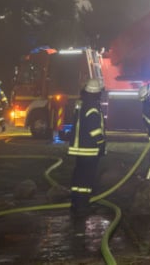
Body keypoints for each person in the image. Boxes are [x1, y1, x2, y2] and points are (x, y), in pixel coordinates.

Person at [68, 78, 106, 215]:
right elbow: (94, 128)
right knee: (86, 178)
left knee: (78, 176)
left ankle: (75, 202)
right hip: (89, 149)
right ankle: (83, 206)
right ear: (96, 93)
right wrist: (101, 143)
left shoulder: (82, 103)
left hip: (80, 149)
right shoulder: (93, 107)